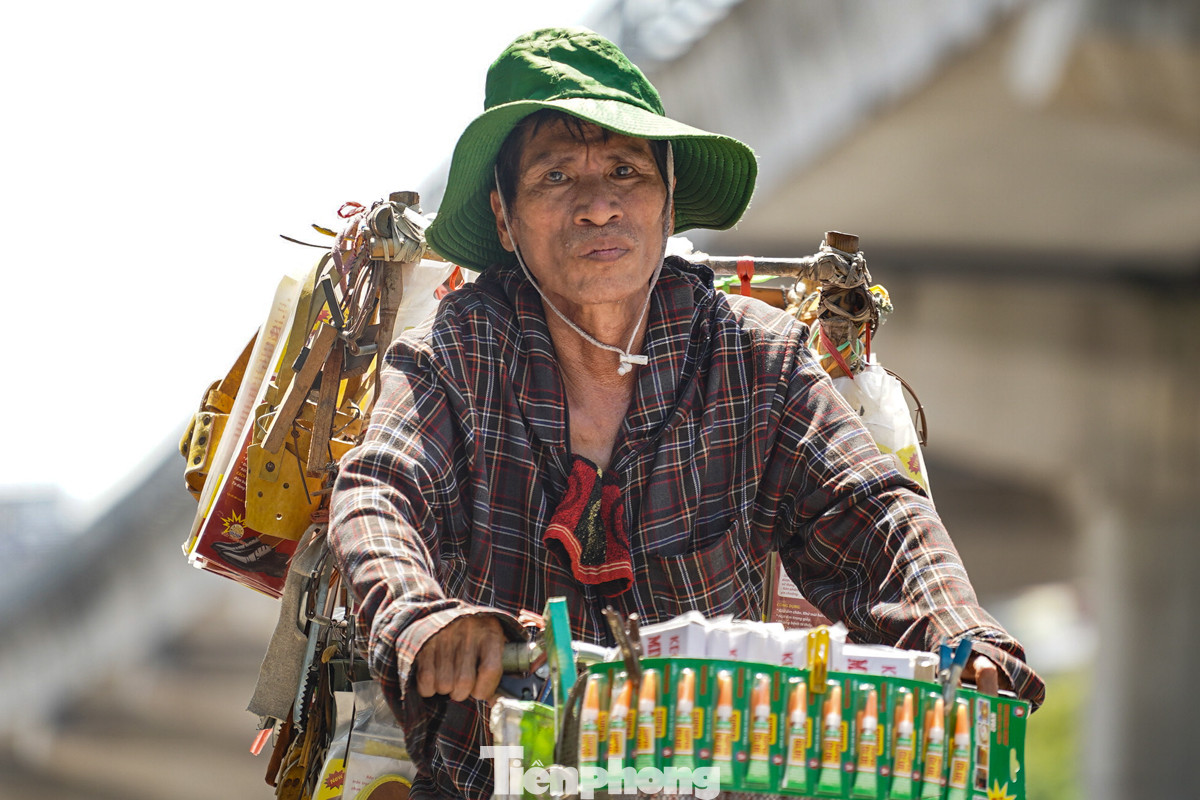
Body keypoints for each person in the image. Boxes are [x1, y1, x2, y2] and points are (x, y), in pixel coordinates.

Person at [329, 26, 1043, 799]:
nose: (598, 205)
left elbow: (874, 512)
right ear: (505, 218)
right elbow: (379, 492)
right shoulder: (455, 354)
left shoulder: (755, 358)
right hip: (496, 782)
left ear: (668, 202)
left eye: (625, 171)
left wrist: (962, 634)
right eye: (555, 175)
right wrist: (423, 618)